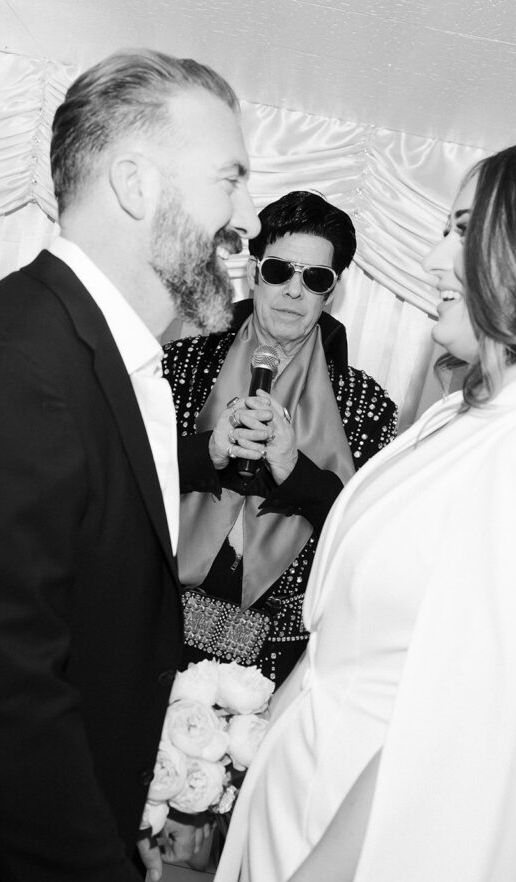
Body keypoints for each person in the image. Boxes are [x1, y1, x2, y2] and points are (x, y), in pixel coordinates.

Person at [154, 86, 516, 882]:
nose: (438, 256)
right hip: (299, 826)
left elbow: (456, 740)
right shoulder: (463, 414)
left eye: (462, 228)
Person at [0, 48, 259, 882]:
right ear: (135, 180)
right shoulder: (10, 369)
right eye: (230, 175)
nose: (245, 214)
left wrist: (118, 848)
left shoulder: (97, 359)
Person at [163, 190, 397, 687]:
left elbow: (370, 538)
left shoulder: (367, 408)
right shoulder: (181, 366)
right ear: (253, 271)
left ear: (330, 291)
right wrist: (209, 450)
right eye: (278, 271)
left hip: (274, 655)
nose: (294, 290)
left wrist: (295, 469)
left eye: (314, 278)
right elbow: (122, 472)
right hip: (149, 618)